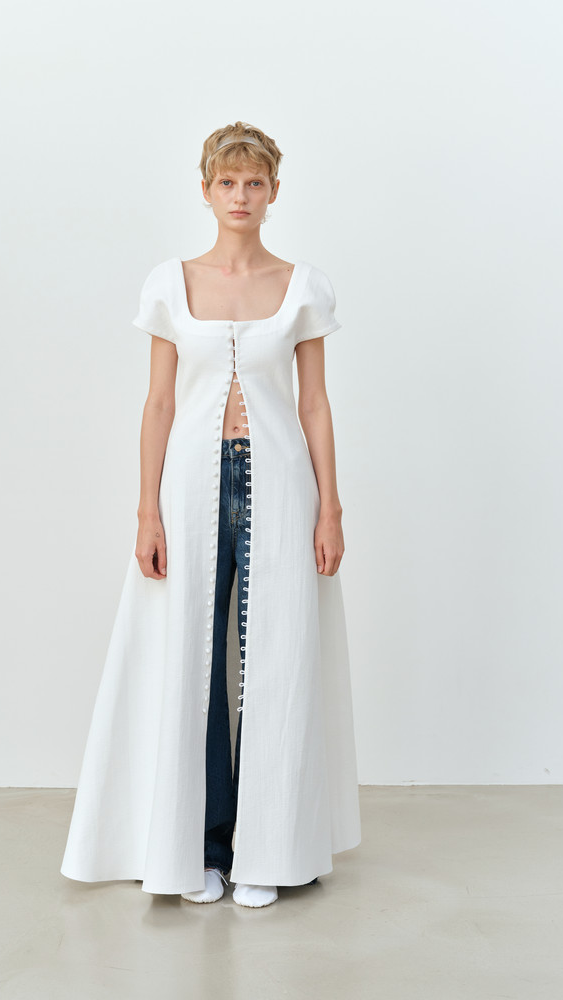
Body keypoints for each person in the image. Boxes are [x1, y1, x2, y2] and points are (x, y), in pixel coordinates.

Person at [60, 120, 361, 908]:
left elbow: (315, 404)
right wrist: (145, 511)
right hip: (192, 485)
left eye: (254, 182)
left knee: (277, 656)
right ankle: (199, 845)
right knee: (191, 659)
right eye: (227, 182)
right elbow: (158, 403)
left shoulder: (303, 285)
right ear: (205, 190)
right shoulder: (170, 283)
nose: (240, 195)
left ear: (274, 191)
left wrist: (331, 508)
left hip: (282, 486)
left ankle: (269, 847)